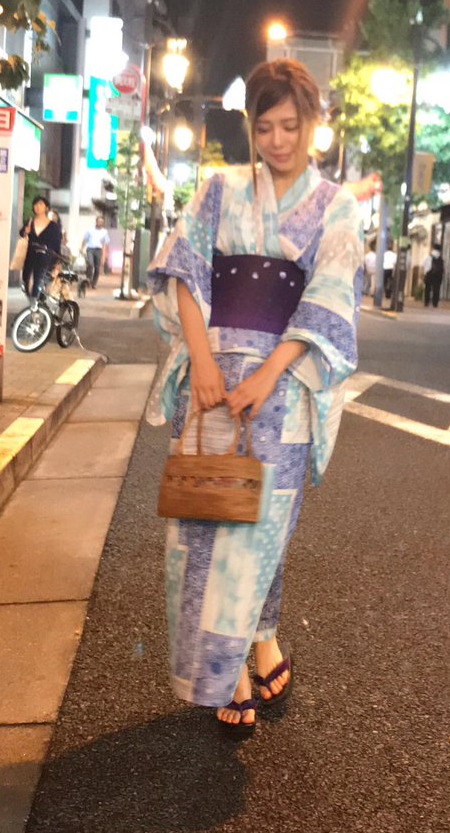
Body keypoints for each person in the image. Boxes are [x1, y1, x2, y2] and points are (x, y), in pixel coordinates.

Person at [147, 58, 363, 735]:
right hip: (211, 384)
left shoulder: (336, 206)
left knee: (264, 527)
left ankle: (255, 639)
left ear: (312, 124)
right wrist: (202, 362)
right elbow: (183, 271)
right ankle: (232, 663)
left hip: (282, 390)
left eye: (290, 125)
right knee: (206, 521)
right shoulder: (220, 189)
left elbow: (329, 299)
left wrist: (267, 377)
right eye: (264, 127)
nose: (277, 140)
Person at [20, 195, 62, 297]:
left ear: (46, 208)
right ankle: (32, 299)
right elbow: (22, 233)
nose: (37, 206)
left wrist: (57, 261)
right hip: (30, 255)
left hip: (45, 256)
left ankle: (35, 302)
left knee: (38, 279)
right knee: (26, 278)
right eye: (35, 204)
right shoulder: (30, 222)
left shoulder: (53, 226)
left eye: (40, 204)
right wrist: (25, 232)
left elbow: (57, 244)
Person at [82, 216, 110, 289]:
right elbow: (85, 239)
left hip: (98, 250)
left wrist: (106, 254)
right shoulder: (90, 230)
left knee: (97, 268)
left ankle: (94, 283)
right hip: (90, 249)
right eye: (99, 221)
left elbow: (107, 242)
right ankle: (88, 279)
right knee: (90, 264)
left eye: (101, 222)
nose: (100, 223)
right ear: (96, 222)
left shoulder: (104, 232)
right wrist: (81, 248)